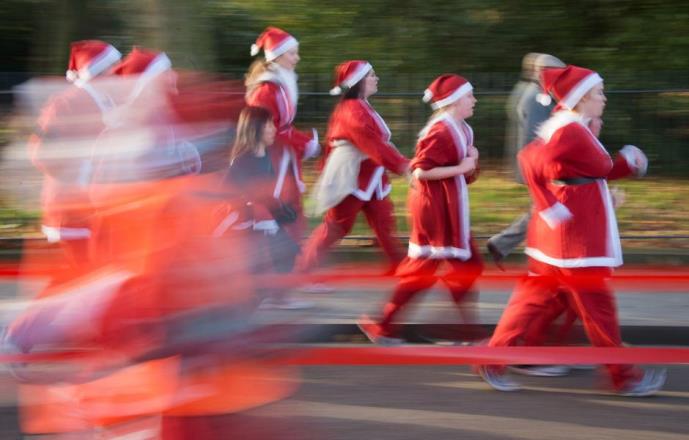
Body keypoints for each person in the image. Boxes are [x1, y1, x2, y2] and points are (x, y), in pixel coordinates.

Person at [477, 65, 666, 396]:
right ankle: (625, 378)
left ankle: (492, 359)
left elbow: (574, 168)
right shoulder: (571, 131)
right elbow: (599, 166)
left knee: (531, 303)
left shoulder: (566, 127)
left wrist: (550, 201)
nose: (604, 98)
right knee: (599, 309)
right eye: (598, 93)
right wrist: (631, 160)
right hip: (575, 241)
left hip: (558, 238)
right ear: (580, 99)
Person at [358, 74, 483, 344]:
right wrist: (464, 166)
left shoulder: (462, 128)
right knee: (451, 267)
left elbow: (463, 174)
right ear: (453, 101)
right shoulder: (440, 130)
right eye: (469, 96)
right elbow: (420, 171)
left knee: (454, 267)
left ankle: (388, 325)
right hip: (434, 210)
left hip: (449, 208)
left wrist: (471, 163)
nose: (474, 100)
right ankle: (458, 331)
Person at [295, 60, 409, 276]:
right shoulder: (352, 110)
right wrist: (402, 165)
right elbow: (372, 143)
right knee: (336, 227)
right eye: (371, 75)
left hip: (371, 176)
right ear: (358, 82)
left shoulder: (360, 106)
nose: (376, 78)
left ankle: (400, 267)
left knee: (384, 222)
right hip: (352, 178)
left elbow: (375, 145)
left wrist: (400, 163)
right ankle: (302, 271)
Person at [27, 40, 122, 285]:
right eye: (113, 67)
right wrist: (83, 171)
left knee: (91, 278)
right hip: (73, 208)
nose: (119, 72)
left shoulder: (107, 101)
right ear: (97, 72)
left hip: (97, 207)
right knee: (83, 278)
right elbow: (40, 151)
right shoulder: (64, 103)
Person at [245, 26, 320, 273]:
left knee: (292, 214)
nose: (297, 58)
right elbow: (269, 130)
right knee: (283, 216)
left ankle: (291, 278)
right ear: (276, 56)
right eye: (292, 54)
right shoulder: (268, 90)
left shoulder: (277, 87)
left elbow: (280, 126)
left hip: (282, 159)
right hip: (273, 163)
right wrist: (304, 142)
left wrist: (300, 143)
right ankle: (279, 284)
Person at [486, 53, 565, 270]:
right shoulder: (538, 97)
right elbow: (536, 135)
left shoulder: (539, 93)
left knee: (543, 207)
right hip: (540, 165)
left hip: (538, 163)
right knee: (547, 207)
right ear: (545, 72)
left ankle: (501, 244)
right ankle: (541, 252)